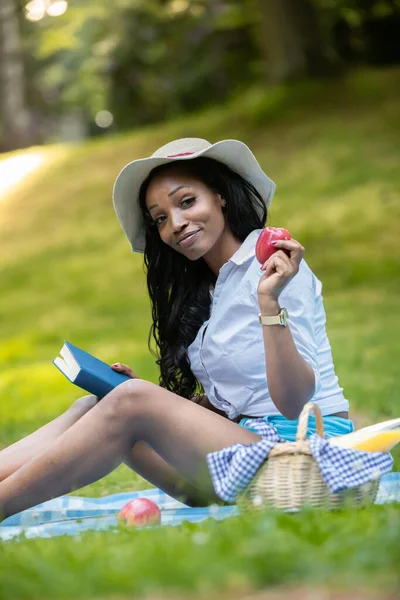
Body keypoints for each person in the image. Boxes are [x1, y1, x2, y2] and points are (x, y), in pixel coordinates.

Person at [0, 138, 354, 519]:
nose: (176, 224)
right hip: (242, 457)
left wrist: (269, 302)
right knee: (103, 400)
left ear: (219, 195)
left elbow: (295, 402)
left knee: (130, 400)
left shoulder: (274, 269)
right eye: (161, 219)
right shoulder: (211, 291)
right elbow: (236, 405)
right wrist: (157, 402)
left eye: (186, 202)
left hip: (301, 459)